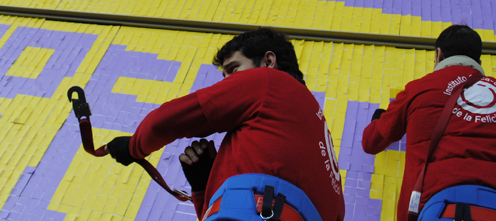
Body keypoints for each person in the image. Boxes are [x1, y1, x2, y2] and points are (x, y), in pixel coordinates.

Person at [106, 27, 345, 221]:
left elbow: (164, 121)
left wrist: (132, 147)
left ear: (268, 61)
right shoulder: (322, 149)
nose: (227, 82)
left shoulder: (268, 81)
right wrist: (203, 185)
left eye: (233, 69)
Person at [362, 25, 496, 221]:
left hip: (443, 207)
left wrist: (379, 118)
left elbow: (371, 142)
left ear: (439, 55)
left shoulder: (419, 89)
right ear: (478, 61)